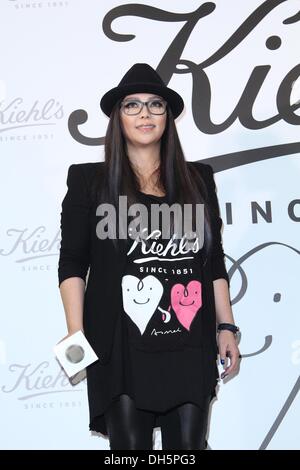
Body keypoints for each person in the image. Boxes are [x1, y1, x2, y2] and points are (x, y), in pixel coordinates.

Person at [58, 63, 240, 450]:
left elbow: (213, 259)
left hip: (189, 341)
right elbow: (73, 261)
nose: (145, 113)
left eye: (156, 104)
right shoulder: (89, 181)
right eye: (132, 105)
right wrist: (76, 332)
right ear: (117, 117)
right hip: (119, 347)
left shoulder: (198, 180)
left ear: (168, 117)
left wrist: (226, 327)